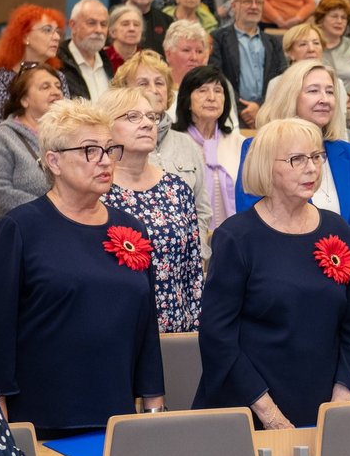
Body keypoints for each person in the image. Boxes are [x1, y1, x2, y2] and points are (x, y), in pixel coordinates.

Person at [0, 99, 165, 435]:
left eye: (110, 149)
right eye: (90, 150)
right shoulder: (19, 228)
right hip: (42, 419)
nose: (105, 161)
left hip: (118, 415)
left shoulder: (131, 228)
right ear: (54, 161)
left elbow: (146, 325)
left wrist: (153, 403)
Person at [194, 118, 350, 428]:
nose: (312, 168)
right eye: (297, 159)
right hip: (248, 406)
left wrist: (342, 397)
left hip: (323, 403)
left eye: (316, 157)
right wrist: (269, 414)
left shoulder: (339, 231)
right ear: (265, 167)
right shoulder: (237, 237)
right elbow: (218, 336)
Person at [235, 60, 350, 275]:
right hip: (280, 280)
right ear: (291, 97)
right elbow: (251, 220)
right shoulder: (259, 147)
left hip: (344, 286)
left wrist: (348, 275)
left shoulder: (349, 154)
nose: (324, 99)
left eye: (330, 92)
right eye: (313, 91)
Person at [96, 88, 203, 333]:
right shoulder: (98, 191)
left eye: (151, 117)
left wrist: (197, 334)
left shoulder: (177, 188)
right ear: (106, 128)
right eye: (133, 116)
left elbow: (193, 273)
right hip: (117, 332)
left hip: (175, 332)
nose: (147, 124)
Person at [110, 50, 212, 254]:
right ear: (124, 92)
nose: (153, 89)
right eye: (143, 83)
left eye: (159, 82)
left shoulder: (188, 144)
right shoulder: (111, 141)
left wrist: (194, 254)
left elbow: (201, 210)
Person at [0, 64, 63, 222]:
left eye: (58, 86)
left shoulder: (68, 136)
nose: (56, 92)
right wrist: (50, 210)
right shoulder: (3, 138)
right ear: (24, 100)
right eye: (45, 87)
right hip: (19, 234)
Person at [173, 66, 247, 231]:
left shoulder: (239, 143)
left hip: (235, 237)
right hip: (188, 237)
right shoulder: (173, 143)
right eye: (202, 90)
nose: (212, 97)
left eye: (218, 91)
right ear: (187, 100)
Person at [209, 0, 288, 129]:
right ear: (234, 6)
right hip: (230, 114)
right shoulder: (218, 38)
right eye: (247, 1)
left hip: (268, 116)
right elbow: (217, 76)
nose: (254, 6)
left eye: (258, 2)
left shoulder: (273, 42)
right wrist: (244, 109)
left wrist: (260, 107)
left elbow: (282, 78)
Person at [0, 4, 69, 132]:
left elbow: (66, 124)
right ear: (25, 37)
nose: (56, 37)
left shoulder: (58, 77)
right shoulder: (1, 78)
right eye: (47, 30)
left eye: (57, 31)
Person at [316, 0, 350, 112]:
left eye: (343, 18)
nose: (339, 21)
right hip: (316, 106)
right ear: (321, 19)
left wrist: (348, 96)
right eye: (334, 16)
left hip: (346, 108)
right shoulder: (312, 46)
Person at [58, 0, 115, 101]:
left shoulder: (109, 62)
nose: (99, 30)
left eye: (103, 24)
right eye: (91, 23)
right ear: (73, 25)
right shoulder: (57, 63)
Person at [163, 19, 209, 92]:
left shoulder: (215, 90)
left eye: (199, 51)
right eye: (186, 50)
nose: (194, 57)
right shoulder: (157, 90)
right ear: (168, 54)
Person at [104, 4, 144, 72]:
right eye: (125, 24)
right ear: (112, 32)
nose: (132, 29)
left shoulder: (149, 60)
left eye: (136, 24)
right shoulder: (102, 58)